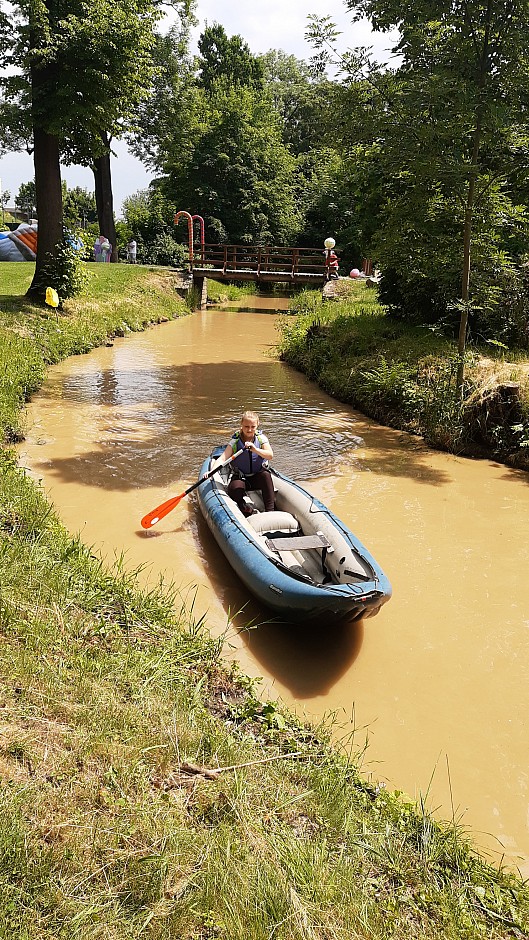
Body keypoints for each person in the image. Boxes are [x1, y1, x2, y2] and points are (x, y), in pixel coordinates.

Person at [216, 411, 275, 516]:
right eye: (246, 426)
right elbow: (222, 459)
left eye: (253, 426)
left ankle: (270, 511)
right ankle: (245, 509)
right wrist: (211, 471)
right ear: (241, 425)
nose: (250, 429)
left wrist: (255, 450)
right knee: (234, 490)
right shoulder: (235, 442)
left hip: (257, 477)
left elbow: (270, 455)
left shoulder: (261, 439)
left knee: (266, 475)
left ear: (257, 425)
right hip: (241, 477)